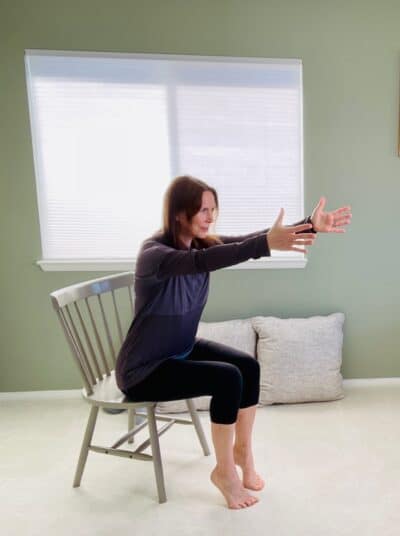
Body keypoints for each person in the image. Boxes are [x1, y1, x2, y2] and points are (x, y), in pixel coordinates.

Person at [116, 175, 351, 509]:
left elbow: (245, 241)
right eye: (202, 210)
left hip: (179, 350)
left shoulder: (198, 244)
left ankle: (242, 452)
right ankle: (225, 473)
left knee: (248, 367)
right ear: (179, 213)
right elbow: (209, 260)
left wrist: (309, 225)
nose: (210, 217)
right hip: (144, 370)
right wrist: (268, 245)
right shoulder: (155, 254)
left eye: (213, 209)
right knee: (228, 378)